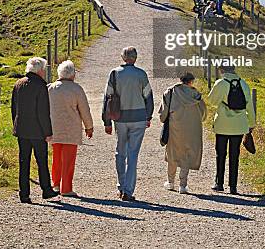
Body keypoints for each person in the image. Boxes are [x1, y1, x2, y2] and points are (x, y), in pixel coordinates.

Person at [102, 46, 154, 201]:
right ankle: (129, 191)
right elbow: (148, 97)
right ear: (135, 58)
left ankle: (121, 186)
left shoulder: (114, 73)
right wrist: (148, 117)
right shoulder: (141, 74)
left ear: (123, 58)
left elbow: (107, 98)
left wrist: (106, 121)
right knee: (133, 155)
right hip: (138, 119)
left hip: (120, 119)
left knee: (120, 152)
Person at [11, 57, 60, 203]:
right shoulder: (40, 86)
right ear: (39, 70)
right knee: (41, 161)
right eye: (44, 70)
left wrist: (16, 125)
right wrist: (48, 132)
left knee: (23, 162)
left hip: (22, 129)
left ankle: (24, 193)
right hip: (38, 131)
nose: (44, 72)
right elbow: (43, 112)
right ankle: (46, 189)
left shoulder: (18, 84)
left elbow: (14, 108)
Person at [207, 64, 256, 194]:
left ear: (221, 70)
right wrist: (251, 124)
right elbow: (249, 106)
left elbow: (211, 101)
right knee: (235, 155)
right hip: (239, 125)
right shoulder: (244, 84)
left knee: (220, 154)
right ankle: (233, 186)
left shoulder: (221, 83)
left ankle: (219, 183)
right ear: (234, 69)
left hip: (222, 124)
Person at [48, 60, 93, 197]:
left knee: (56, 158)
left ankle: (55, 184)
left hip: (53, 128)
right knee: (68, 160)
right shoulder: (76, 89)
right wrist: (89, 127)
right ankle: (66, 188)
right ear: (73, 74)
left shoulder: (50, 88)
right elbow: (84, 109)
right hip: (71, 129)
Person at [159, 72, 206, 194]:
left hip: (175, 128)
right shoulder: (196, 95)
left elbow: (163, 114)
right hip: (192, 129)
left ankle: (170, 182)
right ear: (192, 81)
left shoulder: (171, 92)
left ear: (180, 79)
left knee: (173, 154)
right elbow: (204, 115)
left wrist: (164, 119)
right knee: (186, 155)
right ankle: (183, 185)